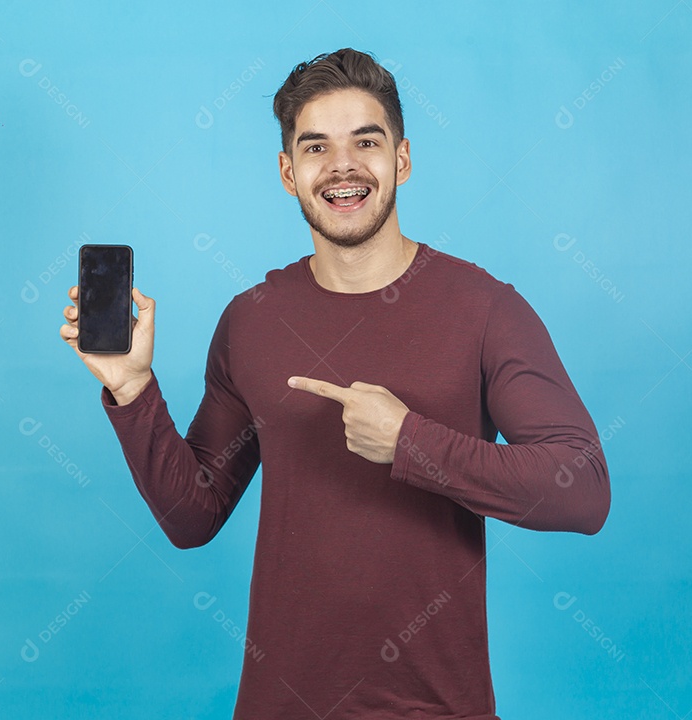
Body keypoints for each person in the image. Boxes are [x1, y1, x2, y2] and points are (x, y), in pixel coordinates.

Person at [60, 47, 610, 720]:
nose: (342, 166)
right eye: (316, 146)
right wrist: (133, 389)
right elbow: (193, 515)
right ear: (289, 173)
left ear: (401, 160)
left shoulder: (486, 310)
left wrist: (411, 441)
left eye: (366, 142)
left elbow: (582, 490)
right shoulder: (252, 321)